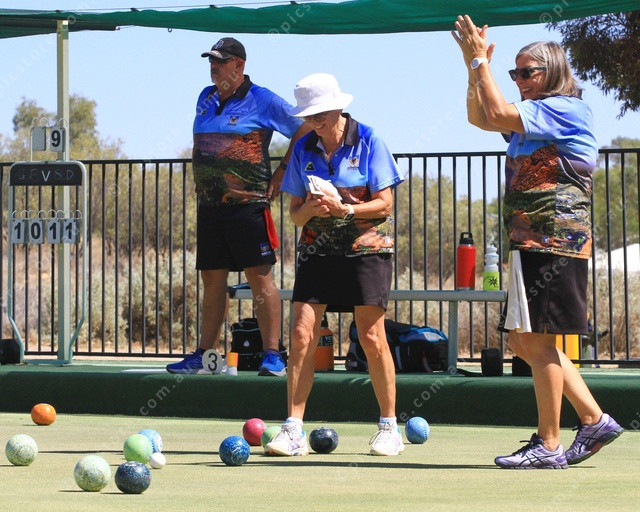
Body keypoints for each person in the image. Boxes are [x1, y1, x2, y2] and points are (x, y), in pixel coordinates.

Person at [452, 15, 624, 469]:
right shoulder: (534, 116)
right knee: (521, 340)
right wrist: (473, 68)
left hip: (555, 242)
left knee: (538, 339)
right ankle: (594, 419)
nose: (520, 80)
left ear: (554, 72)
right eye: (514, 73)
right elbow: (481, 116)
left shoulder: (564, 108)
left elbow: (498, 112)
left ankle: (549, 446)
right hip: (529, 242)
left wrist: (480, 61)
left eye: (528, 72)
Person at [265, 73, 405, 456]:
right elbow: (295, 215)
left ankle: (389, 427)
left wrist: (346, 210)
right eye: (308, 116)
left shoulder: (369, 139)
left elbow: (386, 203)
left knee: (371, 336)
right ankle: (293, 430)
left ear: (338, 107)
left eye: (320, 114)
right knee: (300, 334)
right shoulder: (303, 148)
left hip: (367, 249)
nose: (314, 122)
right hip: (317, 251)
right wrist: (311, 208)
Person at [166, 37, 310, 376]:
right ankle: (204, 355)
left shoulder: (262, 99)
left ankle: (273, 355)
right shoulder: (205, 96)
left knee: (259, 276)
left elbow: (303, 129)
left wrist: (283, 170)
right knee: (211, 277)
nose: (214, 67)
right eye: (211, 61)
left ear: (239, 65)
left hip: (249, 206)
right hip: (210, 205)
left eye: (221, 61)